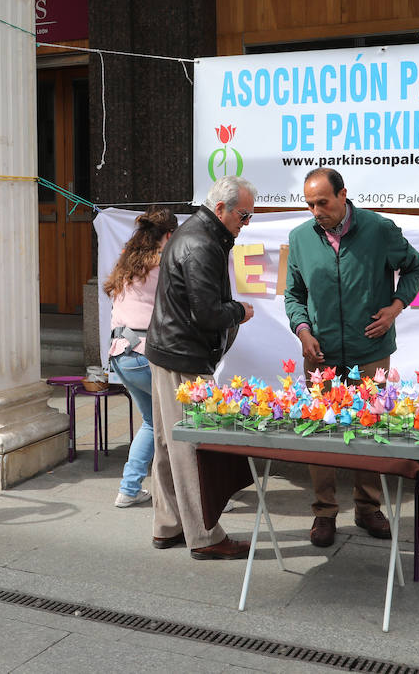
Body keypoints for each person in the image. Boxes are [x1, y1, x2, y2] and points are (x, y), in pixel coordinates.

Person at [284, 168, 419, 548]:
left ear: (343, 195)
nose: (316, 210)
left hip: (370, 354)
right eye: (310, 203)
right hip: (321, 356)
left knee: (369, 431)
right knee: (320, 434)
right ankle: (324, 513)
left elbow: (415, 267)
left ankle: (368, 508)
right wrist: (303, 331)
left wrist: (395, 307)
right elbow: (293, 295)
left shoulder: (380, 230)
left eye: (323, 202)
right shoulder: (300, 239)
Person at [144, 176, 256, 561]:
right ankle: (205, 536)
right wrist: (240, 311)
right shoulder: (201, 242)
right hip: (184, 358)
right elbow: (208, 313)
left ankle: (168, 524)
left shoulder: (196, 233)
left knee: (167, 443)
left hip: (167, 351)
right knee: (191, 447)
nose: (246, 224)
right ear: (221, 209)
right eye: (243, 216)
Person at [104, 207, 178, 509]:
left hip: (120, 355)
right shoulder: (163, 266)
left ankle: (128, 489)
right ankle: (198, 493)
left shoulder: (127, 262)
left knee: (151, 422)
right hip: (146, 354)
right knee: (183, 422)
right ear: (170, 235)